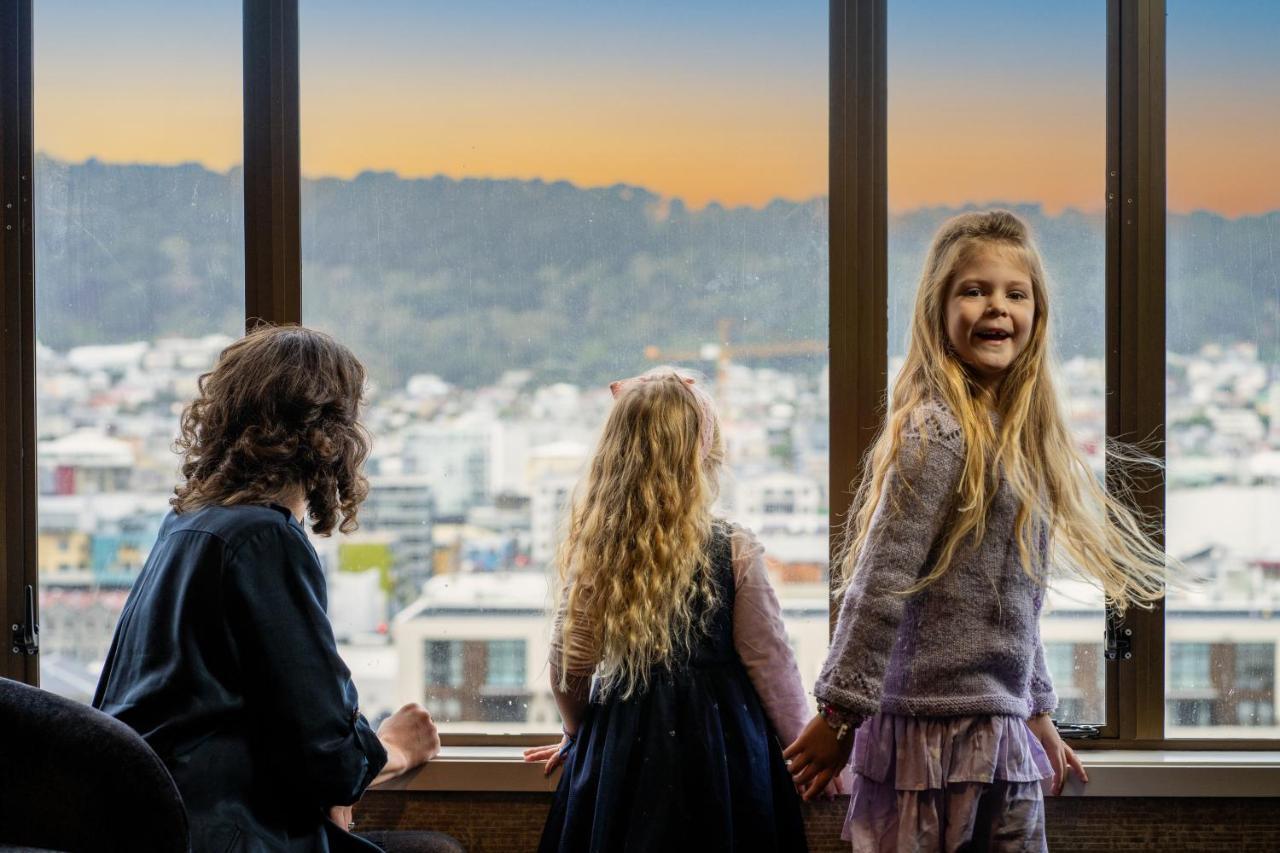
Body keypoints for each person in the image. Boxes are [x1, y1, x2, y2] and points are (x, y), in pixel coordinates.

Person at [784, 210, 1169, 852]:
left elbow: (1017, 602)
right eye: (975, 290)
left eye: (1015, 294)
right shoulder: (937, 432)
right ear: (937, 310)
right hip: (927, 739)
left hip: (998, 734)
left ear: (1037, 315)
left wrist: (1037, 709)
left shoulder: (1021, 439)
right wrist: (837, 714)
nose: (998, 307)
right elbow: (879, 584)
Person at [93, 325, 459, 853]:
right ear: (332, 435)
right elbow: (329, 758)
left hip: (154, 825)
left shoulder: (188, 525)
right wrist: (395, 747)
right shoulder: (264, 539)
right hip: (226, 832)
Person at [524, 368, 829, 853]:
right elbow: (771, 664)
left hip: (624, 751)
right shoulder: (734, 549)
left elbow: (570, 667)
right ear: (704, 457)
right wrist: (804, 753)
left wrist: (577, 733)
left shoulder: (598, 551)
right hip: (724, 751)